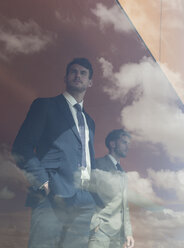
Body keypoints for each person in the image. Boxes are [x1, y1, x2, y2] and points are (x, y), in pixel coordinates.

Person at [12, 57, 98, 248]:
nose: (78, 75)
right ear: (65, 77)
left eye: (83, 73)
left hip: (84, 199)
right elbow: (22, 146)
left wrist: (94, 197)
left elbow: (89, 159)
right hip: (53, 194)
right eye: (73, 71)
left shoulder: (89, 121)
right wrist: (43, 181)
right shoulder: (45, 105)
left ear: (90, 82)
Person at [88, 129, 134, 248]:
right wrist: (95, 224)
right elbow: (86, 194)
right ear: (112, 144)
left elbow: (124, 206)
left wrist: (128, 233)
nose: (127, 146)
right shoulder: (97, 165)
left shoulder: (123, 173)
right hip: (100, 231)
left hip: (118, 236)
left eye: (128, 143)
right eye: (124, 142)